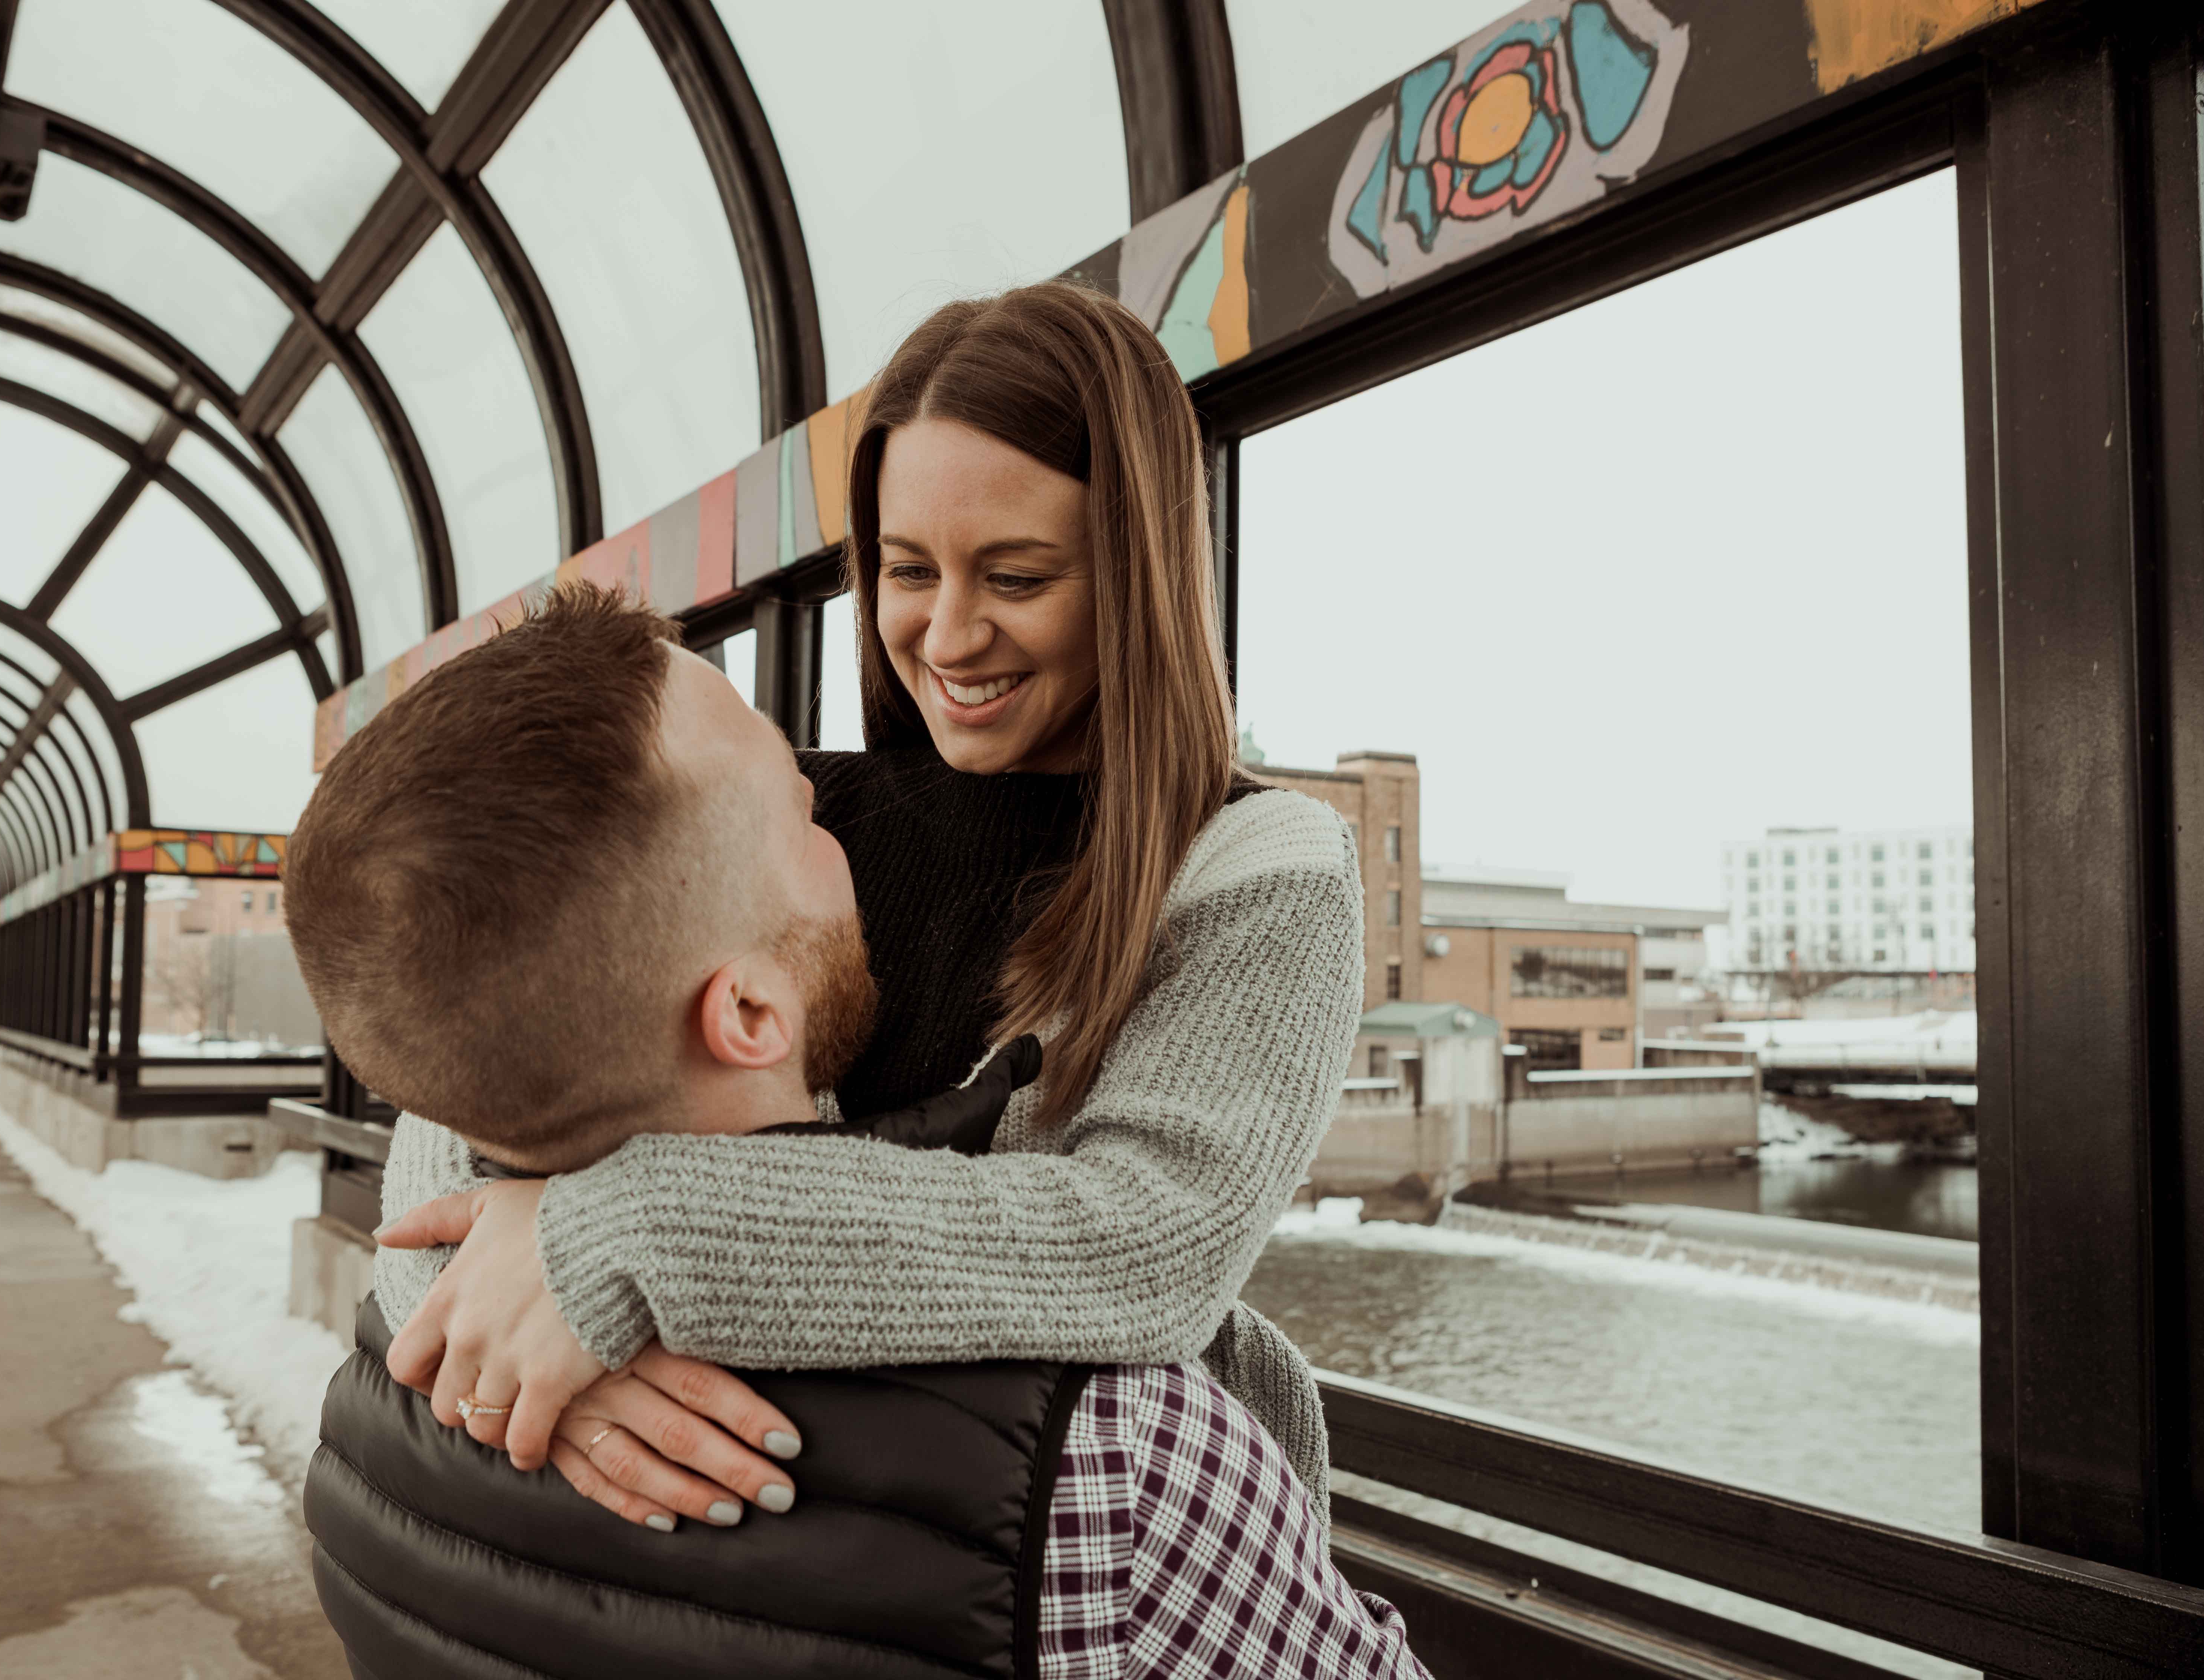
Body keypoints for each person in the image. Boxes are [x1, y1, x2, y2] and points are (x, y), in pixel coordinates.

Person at [285, 585, 1432, 1676]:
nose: (848, 828)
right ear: (746, 1012)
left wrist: (578, 1236)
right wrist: (620, 1239)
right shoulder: (1124, 1474)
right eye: (801, 809)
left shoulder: (382, 1402)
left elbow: (457, 1012)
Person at [375, 280, 1365, 1539]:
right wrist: (520, 1355)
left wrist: (610, 1240)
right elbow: (457, 1068)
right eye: (906, 570)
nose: (947, 634)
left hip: (1060, 1567)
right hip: (760, 1570)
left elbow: (1148, 1246)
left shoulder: (1255, 865)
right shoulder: (787, 808)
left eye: (1015, 575)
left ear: (1142, 569)